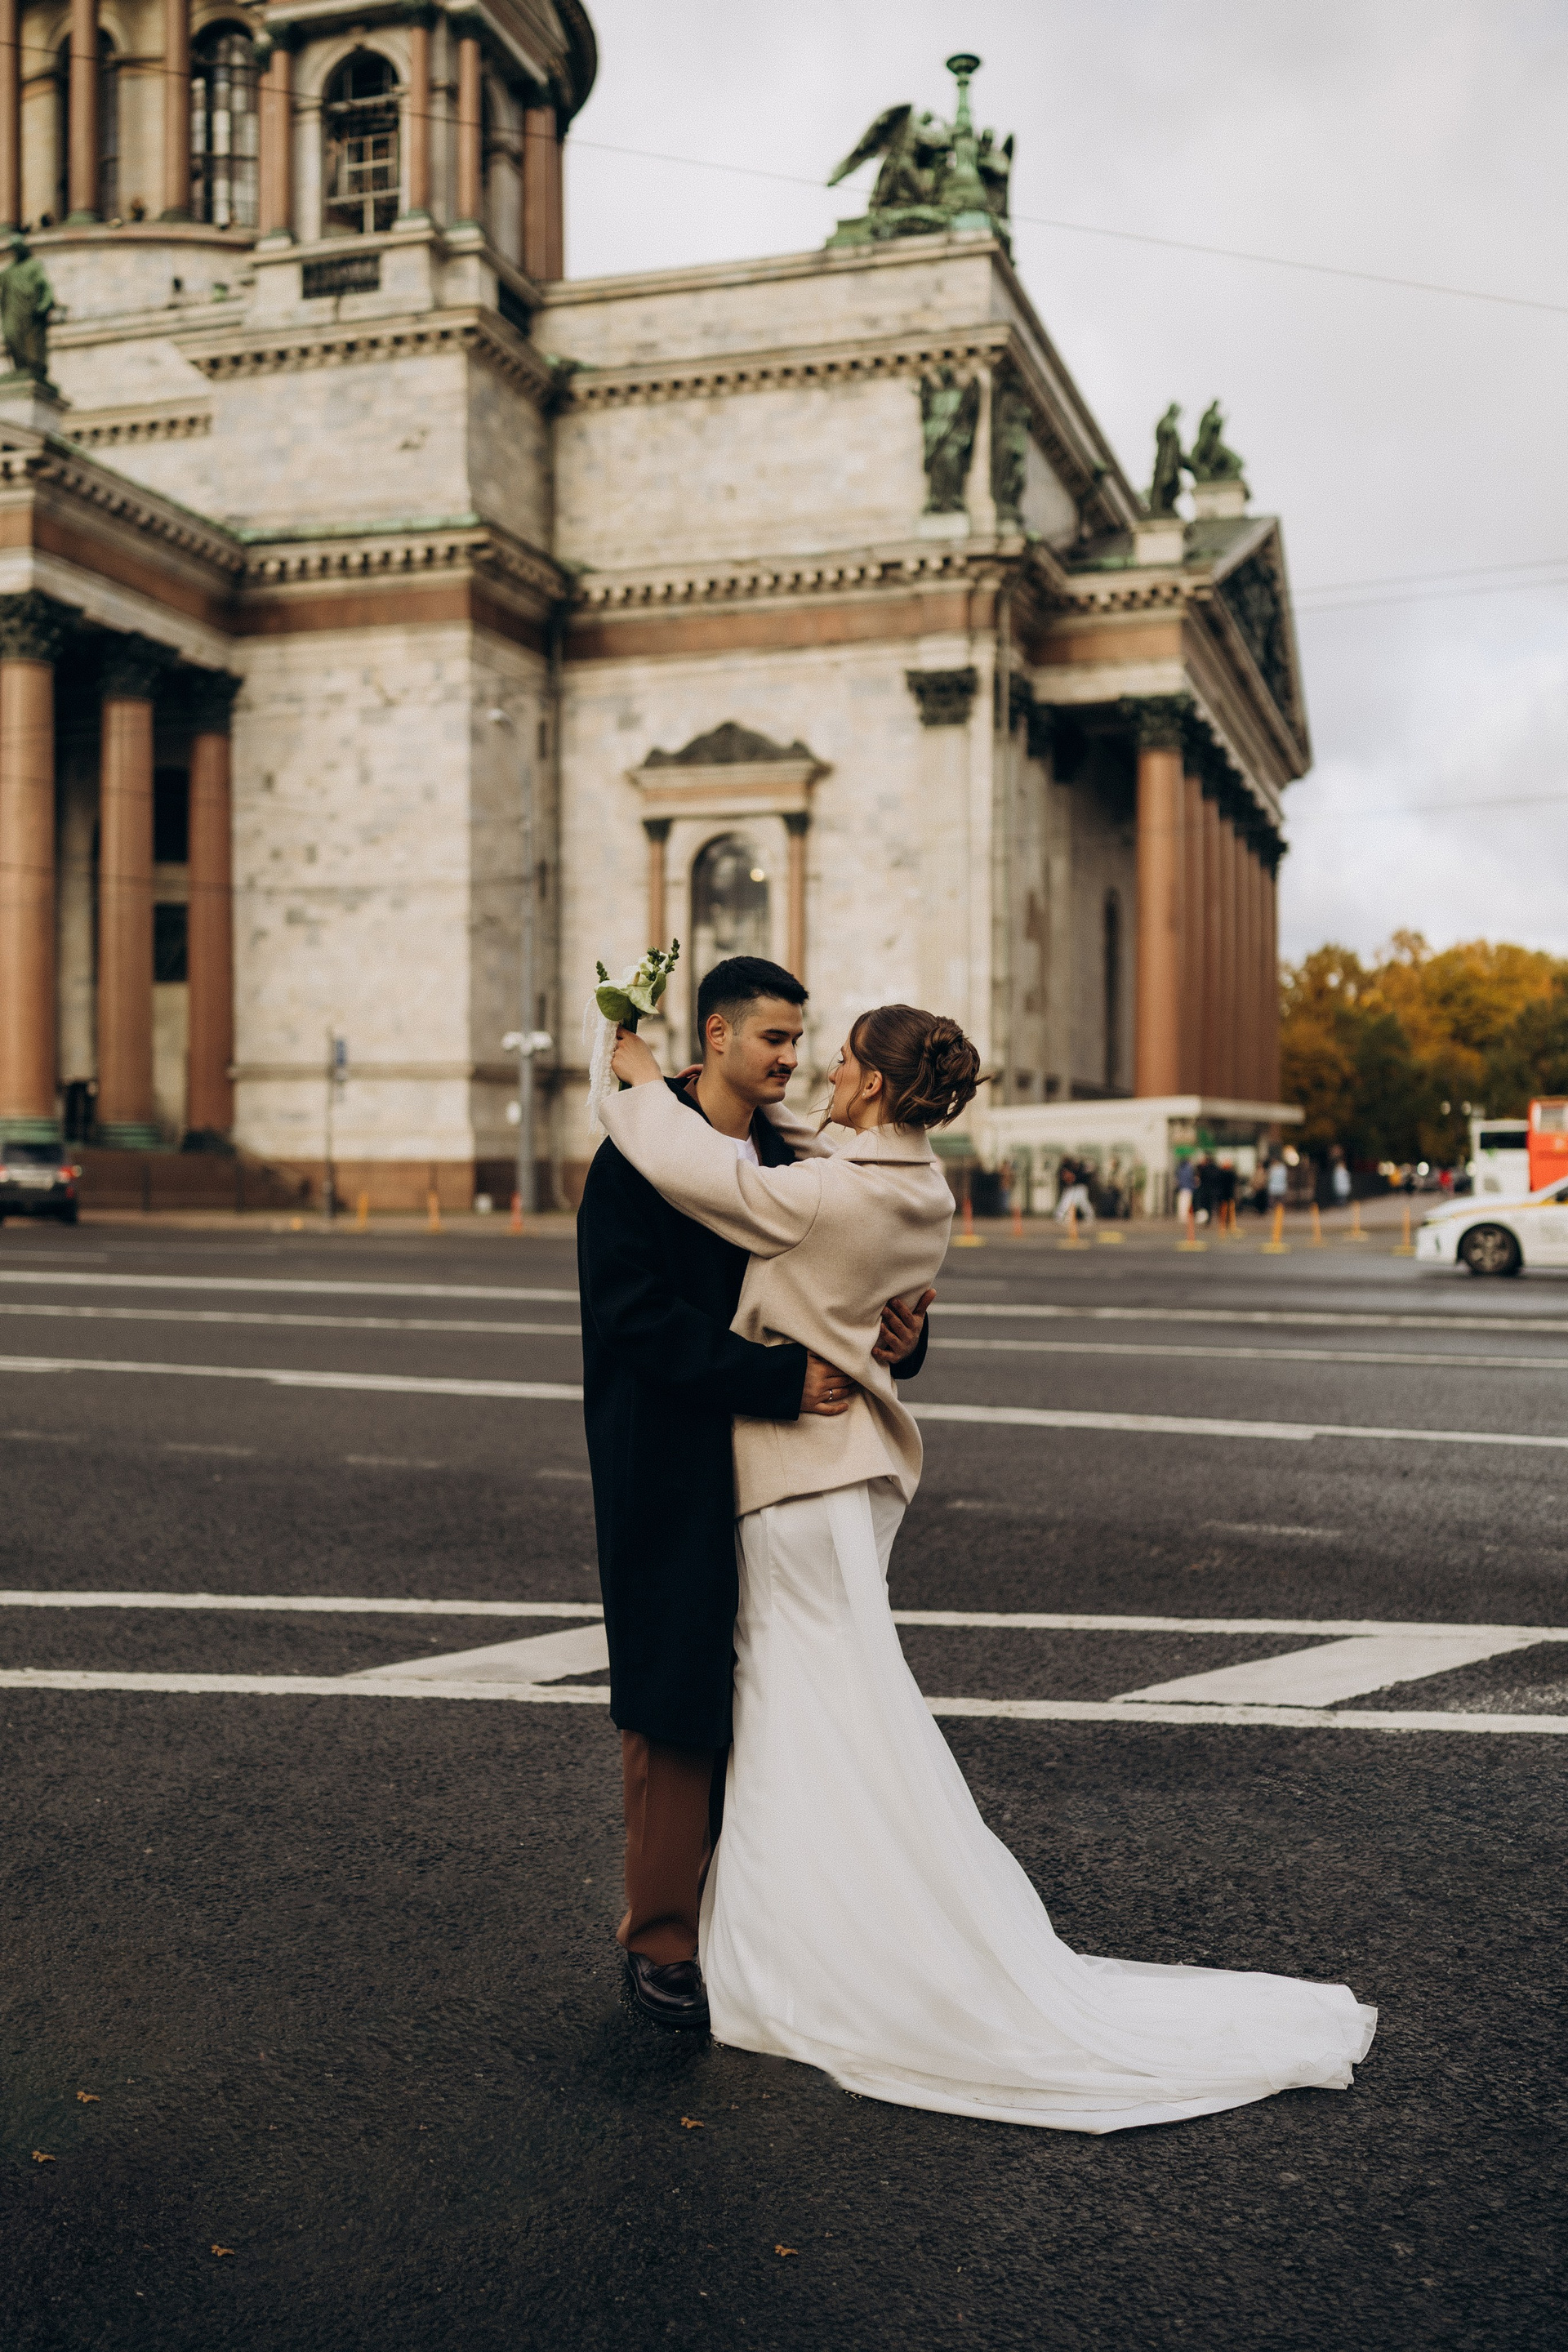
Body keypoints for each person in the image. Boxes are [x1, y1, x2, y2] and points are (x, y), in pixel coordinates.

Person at [603, 1001, 1377, 2134]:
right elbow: (826, 1191)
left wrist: (631, 1075)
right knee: (828, 1701)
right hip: (847, 1480)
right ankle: (815, 1926)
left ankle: (820, 1947)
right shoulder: (918, 1184)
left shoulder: (827, 1193)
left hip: (796, 1478)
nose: (818, 1074)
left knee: (802, 1706)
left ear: (873, 1084)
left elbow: (701, 1170)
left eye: (838, 1060)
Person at [576, 956, 930, 2032]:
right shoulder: (635, 1159)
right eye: (774, 1039)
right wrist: (775, 1381)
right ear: (717, 1035)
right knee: (675, 1696)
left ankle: (754, 1928)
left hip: (780, 1470)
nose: (793, 1060)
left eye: (800, 1040)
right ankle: (661, 1939)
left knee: (774, 1695)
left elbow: (850, 1280)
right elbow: (632, 1319)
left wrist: (903, 1336)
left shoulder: (792, 1155)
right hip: (671, 1453)